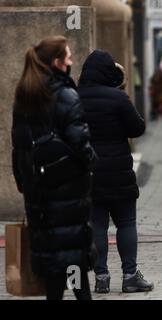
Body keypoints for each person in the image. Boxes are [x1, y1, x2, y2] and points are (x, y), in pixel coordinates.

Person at [11, 36, 97, 300]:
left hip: (38, 196)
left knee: (54, 272)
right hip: (67, 194)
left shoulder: (25, 95)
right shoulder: (66, 95)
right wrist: (91, 163)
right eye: (68, 58)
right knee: (75, 266)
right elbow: (81, 144)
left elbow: (20, 148)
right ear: (58, 63)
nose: (71, 62)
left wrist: (26, 184)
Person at [77, 50, 154, 294]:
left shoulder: (73, 97)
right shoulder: (117, 98)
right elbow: (138, 128)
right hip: (119, 172)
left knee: (97, 224)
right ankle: (130, 275)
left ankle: (101, 276)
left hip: (89, 173)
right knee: (126, 223)